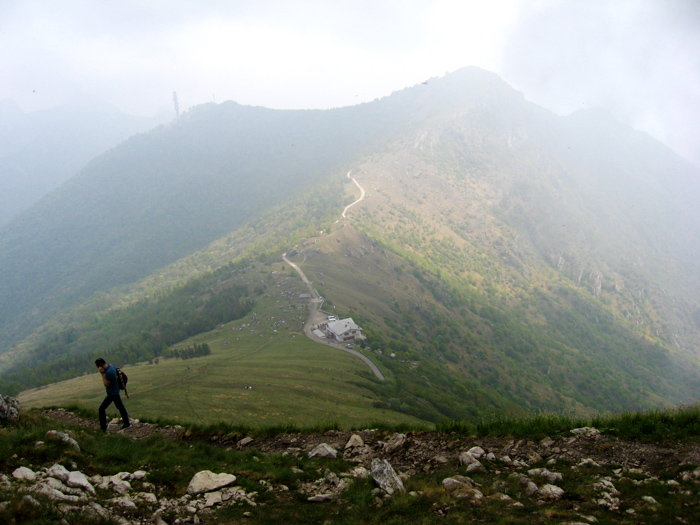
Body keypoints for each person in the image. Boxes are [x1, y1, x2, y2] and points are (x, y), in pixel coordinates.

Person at [95, 358, 131, 432]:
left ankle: (103, 428)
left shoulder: (108, 372)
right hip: (115, 391)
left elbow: (106, 384)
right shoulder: (111, 366)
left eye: (98, 367)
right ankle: (127, 423)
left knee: (101, 408)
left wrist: (102, 374)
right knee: (120, 407)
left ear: (100, 366)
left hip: (112, 393)